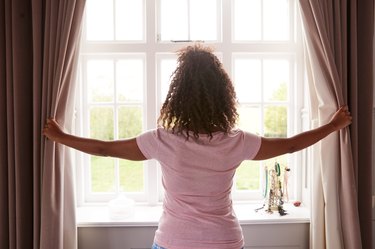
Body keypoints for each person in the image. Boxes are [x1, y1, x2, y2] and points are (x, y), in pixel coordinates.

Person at [43, 44, 352, 249]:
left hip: (173, 242)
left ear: (178, 96)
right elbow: (291, 145)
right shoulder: (236, 142)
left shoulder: (163, 140)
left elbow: (104, 149)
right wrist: (333, 125)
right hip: (225, 241)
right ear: (223, 97)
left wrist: (60, 136)